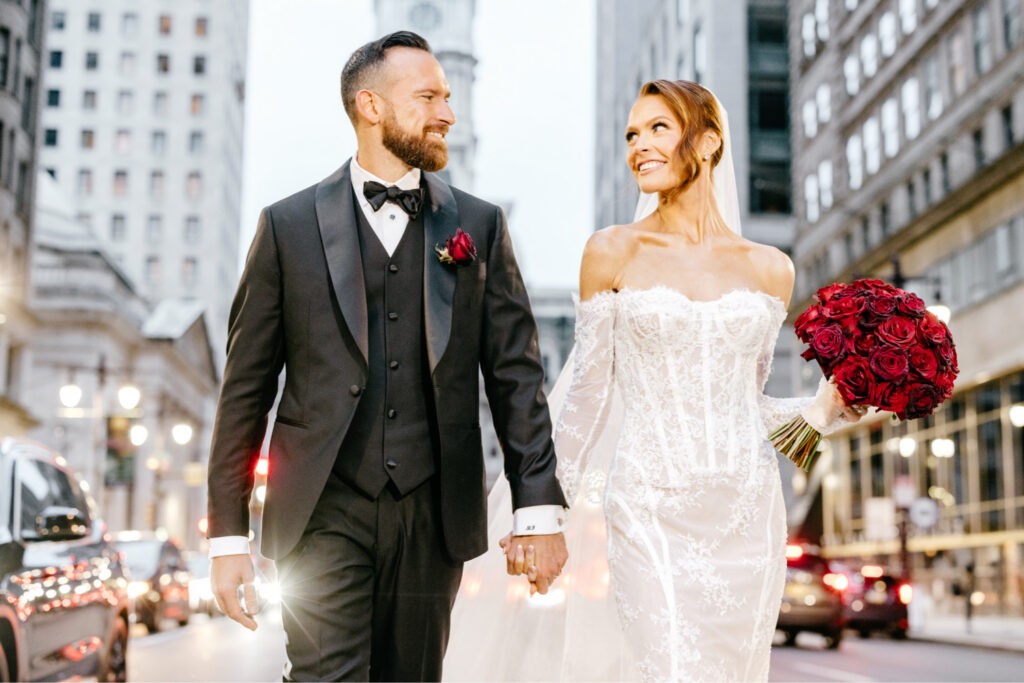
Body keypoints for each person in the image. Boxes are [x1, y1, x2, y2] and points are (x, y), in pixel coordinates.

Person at [444, 80, 863, 682]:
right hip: (648, 503)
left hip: (748, 512)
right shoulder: (612, 251)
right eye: (632, 134)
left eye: (657, 129)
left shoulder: (772, 270)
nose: (638, 145)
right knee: (665, 667)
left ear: (710, 141)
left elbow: (746, 407)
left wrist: (824, 409)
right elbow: (586, 397)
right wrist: (541, 513)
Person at [205, 31, 568, 681]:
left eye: (449, 97)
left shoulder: (478, 227)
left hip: (434, 513)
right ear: (370, 106)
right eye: (428, 96)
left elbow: (516, 373)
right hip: (320, 509)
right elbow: (245, 389)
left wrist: (536, 507)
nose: (448, 114)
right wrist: (227, 535)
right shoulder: (287, 226)